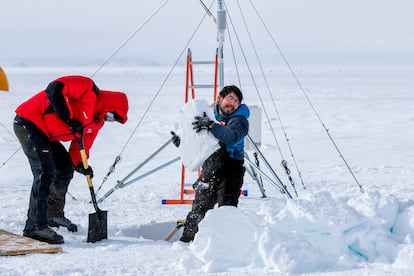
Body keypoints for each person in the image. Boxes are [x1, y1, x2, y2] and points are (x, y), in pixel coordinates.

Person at [13, 75, 128, 244]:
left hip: (47, 135)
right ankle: (35, 227)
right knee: (44, 172)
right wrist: (68, 118)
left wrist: (81, 165)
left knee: (65, 168)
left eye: (113, 120)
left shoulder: (95, 123)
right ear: (110, 104)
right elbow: (55, 89)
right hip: (29, 121)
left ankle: (53, 215)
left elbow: (81, 147)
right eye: (112, 116)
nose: (109, 120)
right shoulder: (87, 88)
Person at [172, 85, 249, 243]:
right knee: (199, 208)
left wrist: (211, 126)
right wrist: (182, 142)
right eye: (230, 98)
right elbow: (198, 143)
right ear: (220, 98)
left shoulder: (240, 120)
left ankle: (224, 246)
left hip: (231, 169)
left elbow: (231, 137)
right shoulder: (208, 116)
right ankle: (187, 242)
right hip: (210, 168)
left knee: (226, 210)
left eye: (236, 101)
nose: (233, 103)